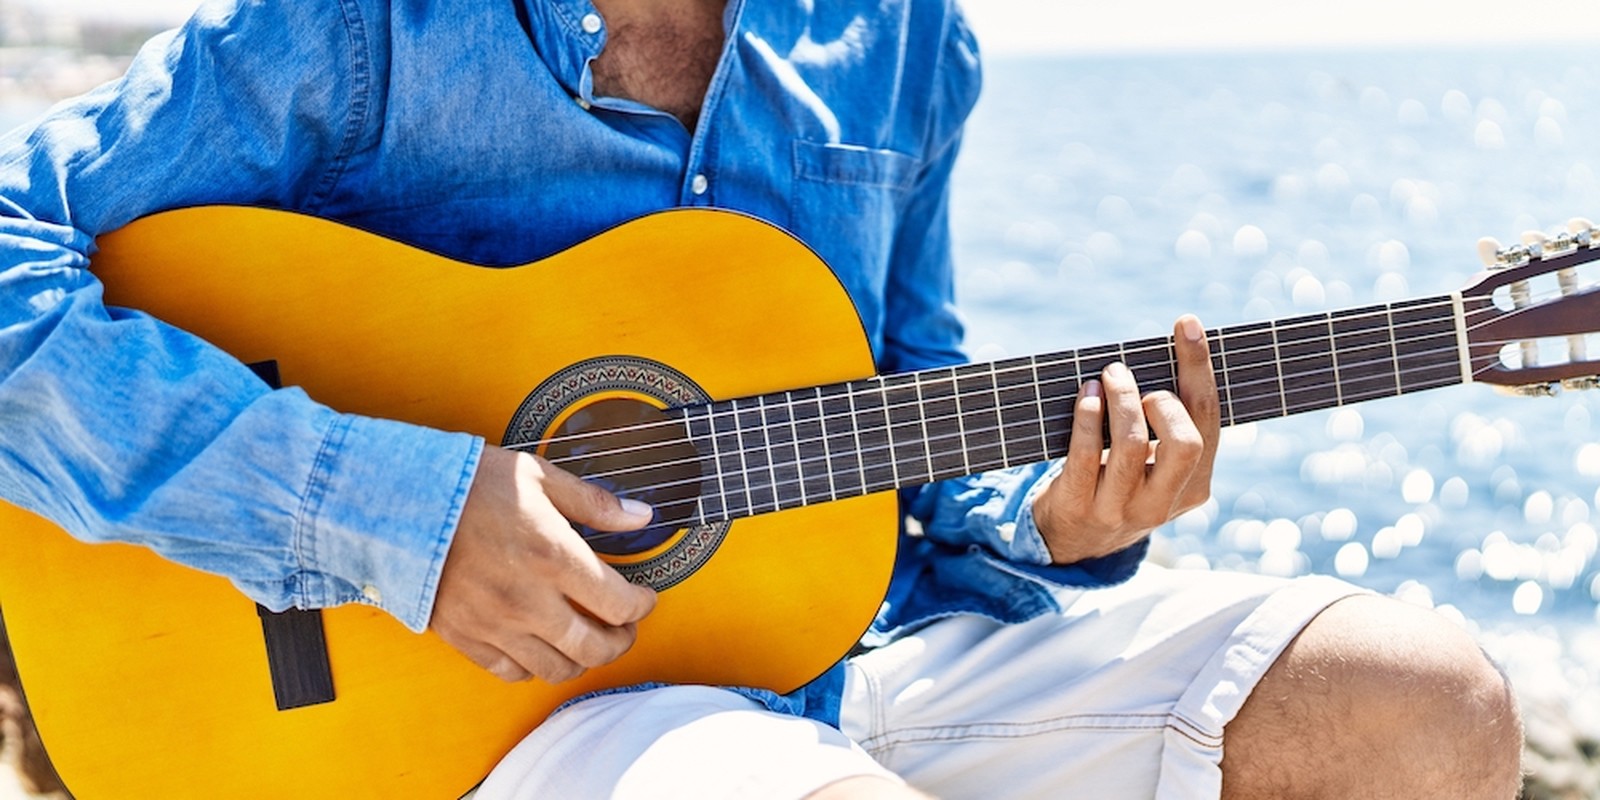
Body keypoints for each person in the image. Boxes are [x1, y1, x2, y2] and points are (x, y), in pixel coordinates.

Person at [0, 0, 1523, 797]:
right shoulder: (369, 27)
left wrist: (1059, 518)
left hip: (850, 656)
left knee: (1423, 708)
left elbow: (911, 406)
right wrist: (398, 515)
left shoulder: (905, 32)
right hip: (506, 727)